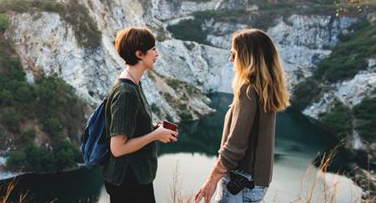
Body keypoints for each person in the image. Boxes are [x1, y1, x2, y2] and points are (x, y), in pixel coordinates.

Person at [194, 28, 289, 203]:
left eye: (234, 54)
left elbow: (235, 145)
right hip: (256, 183)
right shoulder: (266, 89)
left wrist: (212, 179)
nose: (231, 59)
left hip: (240, 182)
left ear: (248, 58)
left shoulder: (248, 91)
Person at [103, 26, 179, 203]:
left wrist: (152, 129)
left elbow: (130, 129)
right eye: (153, 49)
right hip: (128, 181)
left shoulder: (133, 84)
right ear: (139, 54)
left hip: (135, 177)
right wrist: (155, 135)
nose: (157, 53)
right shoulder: (126, 93)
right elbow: (118, 148)